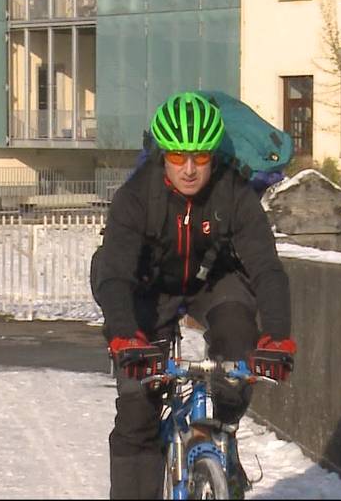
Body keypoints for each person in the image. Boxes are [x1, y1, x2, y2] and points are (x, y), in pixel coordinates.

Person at [90, 91, 298, 499]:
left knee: (239, 349)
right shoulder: (136, 198)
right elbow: (114, 274)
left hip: (212, 282)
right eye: (178, 156)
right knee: (137, 410)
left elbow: (266, 267)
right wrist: (125, 334)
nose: (189, 169)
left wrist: (276, 334)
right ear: (163, 155)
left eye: (200, 158)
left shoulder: (232, 192)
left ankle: (215, 435)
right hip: (148, 290)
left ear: (213, 157)